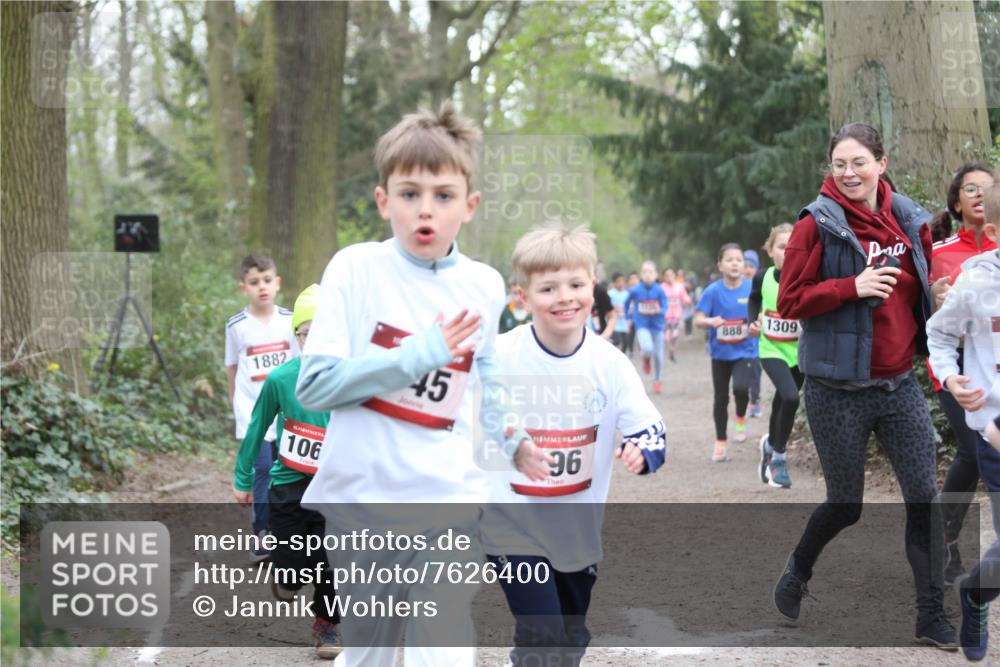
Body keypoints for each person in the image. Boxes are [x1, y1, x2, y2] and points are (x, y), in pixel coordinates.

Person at [295, 104, 540, 667]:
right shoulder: (354, 269)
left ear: (469, 206)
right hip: (363, 505)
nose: (425, 209)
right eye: (409, 194)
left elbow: (486, 376)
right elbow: (316, 385)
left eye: (443, 195)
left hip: (448, 500)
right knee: (371, 656)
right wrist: (418, 354)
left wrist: (512, 437)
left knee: (444, 646)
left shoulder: (482, 284)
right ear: (384, 201)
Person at [772, 122, 956, 649]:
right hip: (835, 391)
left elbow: (916, 292)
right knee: (846, 504)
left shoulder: (909, 220)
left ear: (882, 161)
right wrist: (848, 287)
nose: (849, 173)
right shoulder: (817, 224)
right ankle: (798, 568)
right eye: (839, 165)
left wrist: (936, 294)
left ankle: (930, 615)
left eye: (858, 162)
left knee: (924, 498)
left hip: (898, 385)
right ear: (830, 170)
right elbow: (789, 301)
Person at [481, 223, 666, 667]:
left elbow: (650, 425)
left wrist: (643, 450)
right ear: (522, 298)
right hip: (512, 524)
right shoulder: (499, 358)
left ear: (593, 287)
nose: (565, 296)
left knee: (569, 637)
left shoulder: (610, 365)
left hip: (578, 529)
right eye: (548, 288)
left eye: (576, 284)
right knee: (542, 635)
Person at [232, 284, 341, 659]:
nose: (316, 339)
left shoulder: (349, 380)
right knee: (294, 567)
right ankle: (287, 573)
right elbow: (257, 427)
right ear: (297, 336)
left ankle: (327, 627)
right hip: (288, 485)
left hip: (332, 490)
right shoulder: (281, 379)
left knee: (330, 561)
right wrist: (243, 477)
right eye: (307, 332)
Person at [926, 179, 1000, 661]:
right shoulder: (976, 283)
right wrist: (952, 380)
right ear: (993, 232)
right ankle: (976, 592)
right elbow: (937, 337)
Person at [224, 253, 298, 561]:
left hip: (286, 413)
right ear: (244, 287)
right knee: (263, 470)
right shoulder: (237, 326)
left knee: (288, 470)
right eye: (254, 282)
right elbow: (231, 366)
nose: (262, 287)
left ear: (277, 283)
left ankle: (288, 532)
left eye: (267, 280)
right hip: (253, 413)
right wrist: (236, 404)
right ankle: (263, 533)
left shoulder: (290, 320)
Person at [748, 224, 801, 488]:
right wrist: (752, 321)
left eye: (793, 247)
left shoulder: (806, 277)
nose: (788, 252)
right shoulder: (762, 276)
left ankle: (770, 445)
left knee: (784, 400)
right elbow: (754, 300)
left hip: (798, 350)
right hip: (770, 348)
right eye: (782, 247)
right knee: (791, 396)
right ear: (770, 251)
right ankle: (778, 457)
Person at [694, 243, 756, 462]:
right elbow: (697, 319)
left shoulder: (751, 288)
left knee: (740, 389)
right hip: (720, 354)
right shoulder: (712, 291)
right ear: (720, 265)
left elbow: (763, 313)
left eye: (739, 259)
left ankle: (740, 416)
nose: (735, 263)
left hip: (744, 351)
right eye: (729, 259)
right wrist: (711, 321)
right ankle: (720, 442)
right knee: (720, 398)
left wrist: (758, 326)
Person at [625, 261, 668, 394]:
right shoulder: (635, 290)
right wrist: (628, 318)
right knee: (647, 348)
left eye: (650, 272)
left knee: (659, 356)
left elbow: (665, 306)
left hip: (657, 326)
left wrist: (659, 310)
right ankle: (646, 358)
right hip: (641, 324)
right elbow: (626, 302)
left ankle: (657, 380)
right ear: (641, 275)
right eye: (644, 272)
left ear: (655, 274)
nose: (647, 275)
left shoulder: (660, 290)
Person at [743, 250, 763, 417]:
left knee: (755, 371)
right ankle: (743, 401)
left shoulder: (761, 285)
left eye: (751, 266)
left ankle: (755, 402)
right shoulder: (736, 285)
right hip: (740, 341)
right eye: (745, 266)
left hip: (756, 340)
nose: (748, 269)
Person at [661, 268, 692, 363]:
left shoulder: (679, 286)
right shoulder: (661, 287)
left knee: (674, 335)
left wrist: (688, 301)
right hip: (665, 315)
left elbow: (684, 296)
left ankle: (672, 352)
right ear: (664, 277)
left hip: (676, 315)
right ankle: (669, 350)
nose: (669, 277)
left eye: (671, 275)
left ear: (674, 275)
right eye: (667, 275)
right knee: (666, 336)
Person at [608, 272, 631, 352]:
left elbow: (630, 308)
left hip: (624, 323)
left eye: (622, 281)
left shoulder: (627, 294)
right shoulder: (610, 294)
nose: (620, 283)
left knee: (626, 342)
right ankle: (610, 352)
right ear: (614, 283)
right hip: (615, 324)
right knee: (616, 341)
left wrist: (629, 320)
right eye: (618, 281)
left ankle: (622, 357)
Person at [624, 272, 640, 356]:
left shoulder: (641, 291)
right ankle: (631, 350)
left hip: (640, 316)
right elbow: (624, 305)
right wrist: (627, 317)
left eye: (635, 278)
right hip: (630, 315)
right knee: (631, 334)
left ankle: (642, 350)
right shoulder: (626, 292)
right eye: (631, 279)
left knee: (641, 333)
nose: (633, 281)